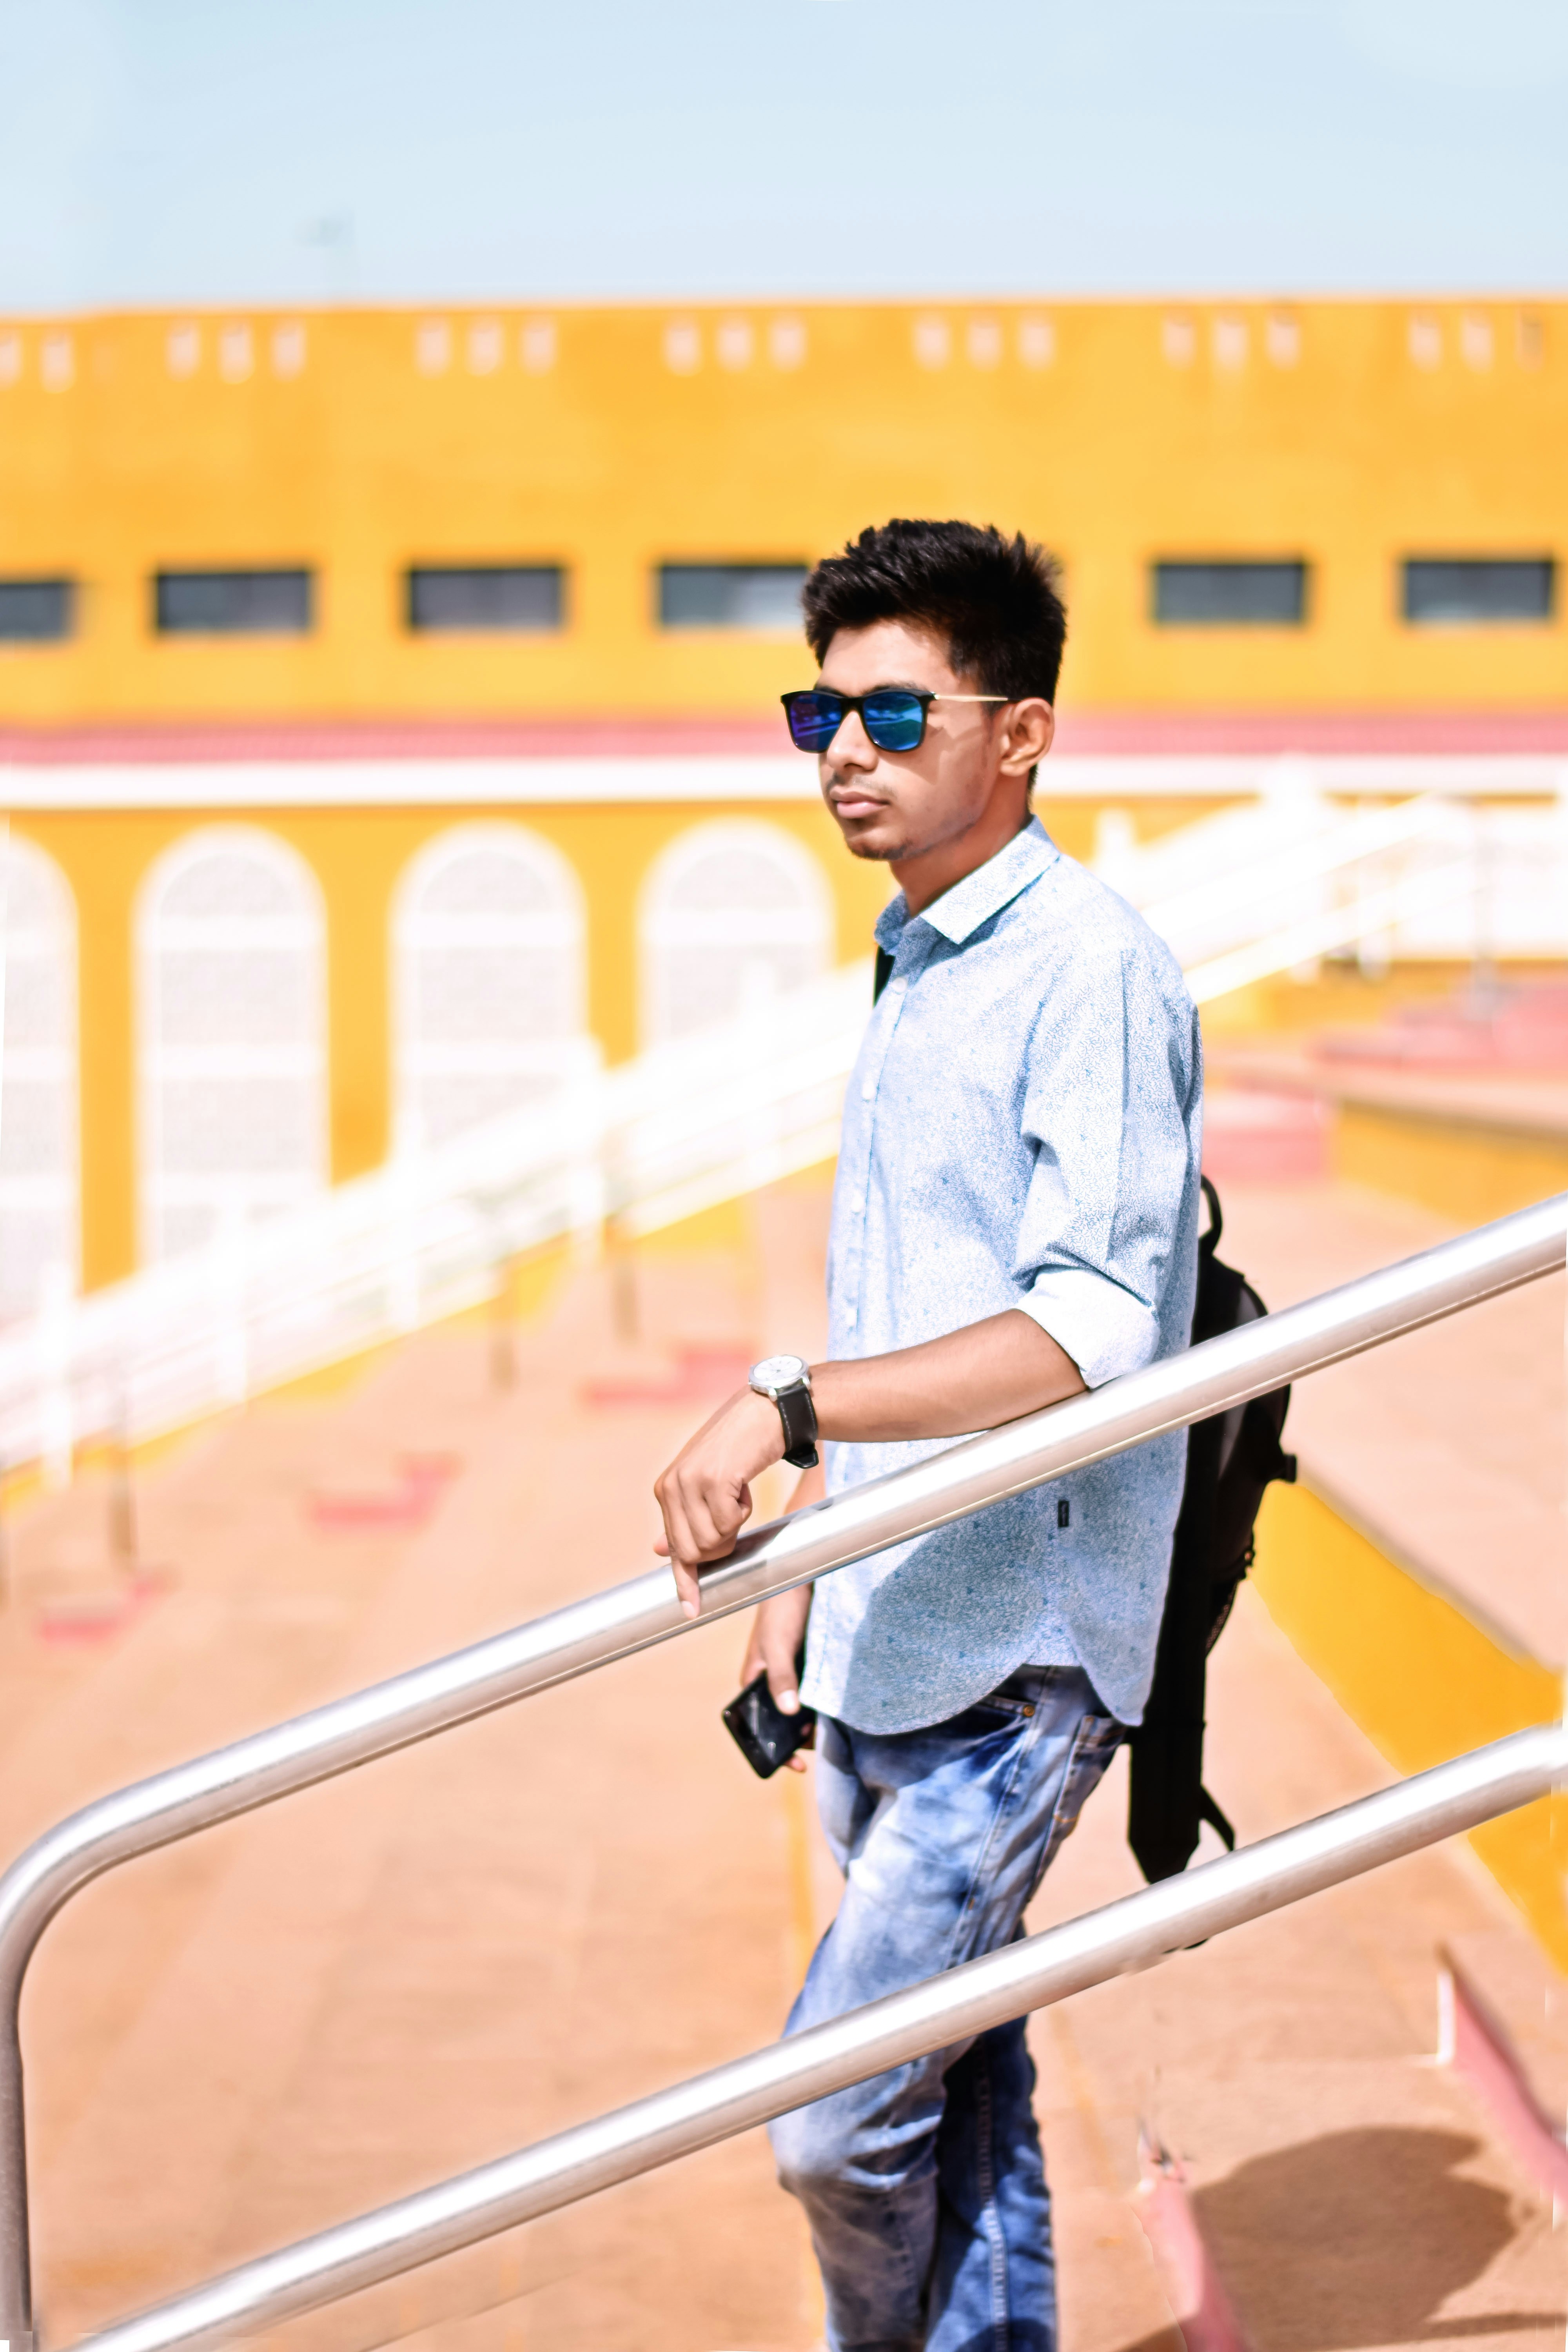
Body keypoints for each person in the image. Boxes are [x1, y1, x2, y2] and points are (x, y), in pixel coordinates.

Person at [654, 518, 1201, 2352]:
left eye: (895, 713)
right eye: (819, 711)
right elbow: (910, 1292)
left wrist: (784, 1406)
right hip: (882, 1620)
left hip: (1015, 1660)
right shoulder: (918, 956)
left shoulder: (1087, 969)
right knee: (958, 2089)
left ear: (1020, 732)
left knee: (831, 2125)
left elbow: (1089, 1325)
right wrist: (804, 1565)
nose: (844, 752)